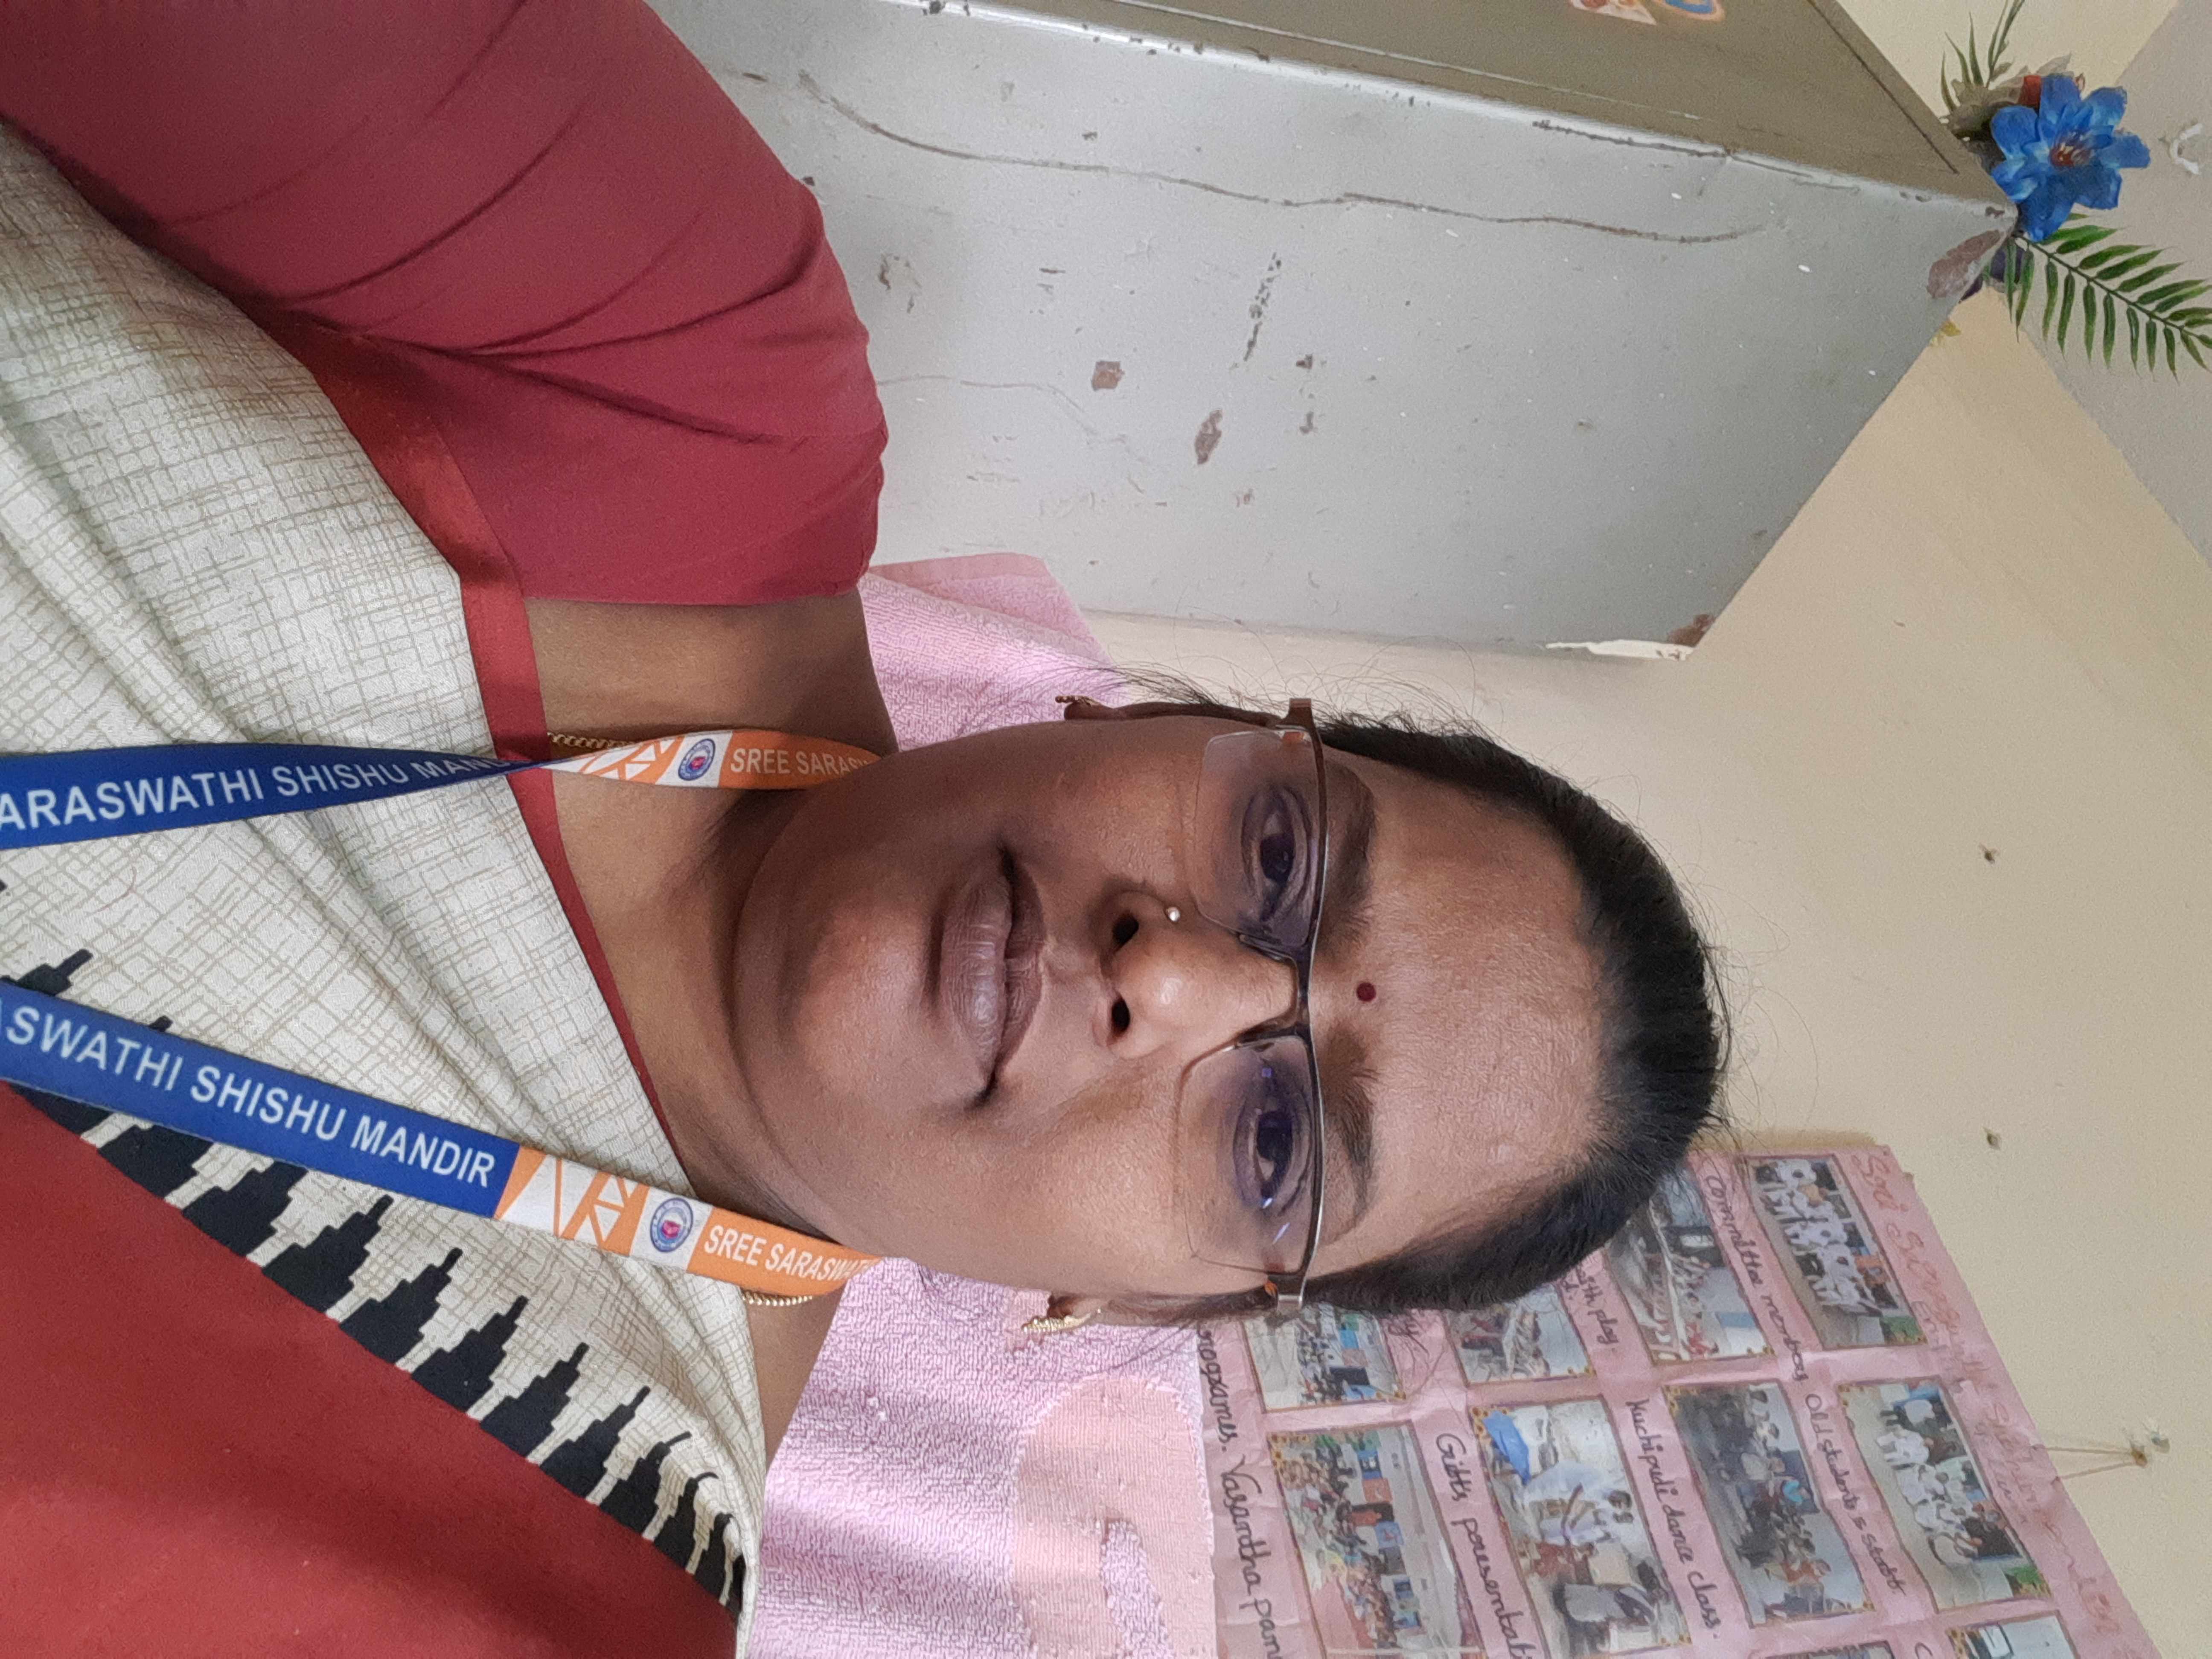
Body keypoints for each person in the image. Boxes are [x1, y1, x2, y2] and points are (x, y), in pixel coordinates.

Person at [0, 3, 1722, 1653]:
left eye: (1277, 1147)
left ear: (1137, 1308)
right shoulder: (689, 372)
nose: (1174, 975)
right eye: (1281, 856)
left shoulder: (547, 1583)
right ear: (1141, 719)